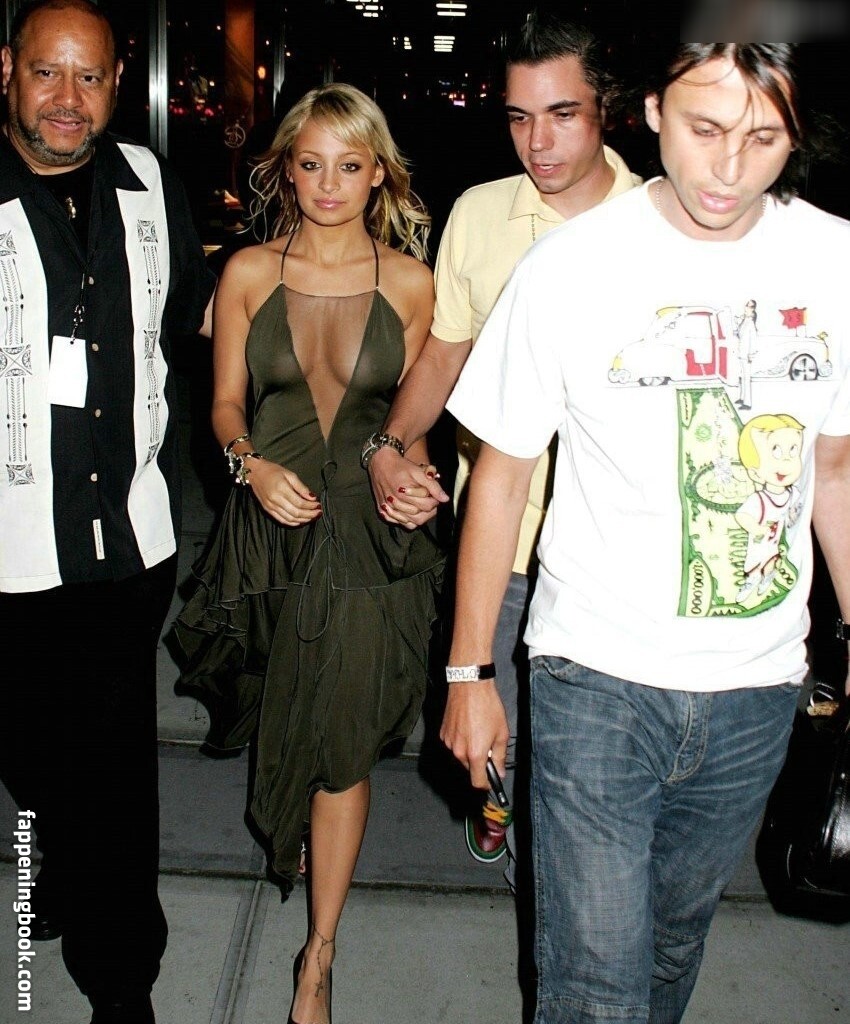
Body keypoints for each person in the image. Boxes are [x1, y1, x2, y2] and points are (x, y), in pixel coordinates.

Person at [441, 42, 850, 1024]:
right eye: (705, 129)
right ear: (656, 109)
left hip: (757, 686)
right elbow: (501, 473)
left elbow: (834, 470)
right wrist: (468, 673)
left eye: (764, 138)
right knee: (594, 989)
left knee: (668, 945)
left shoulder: (834, 259)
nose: (729, 168)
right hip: (595, 678)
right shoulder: (572, 265)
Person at [173, 83, 443, 1024]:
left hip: (369, 540)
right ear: (286, 170)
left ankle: (319, 955)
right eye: (312, 163)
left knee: (344, 744)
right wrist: (248, 467)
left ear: (379, 175)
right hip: (270, 531)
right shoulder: (248, 270)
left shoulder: (412, 284)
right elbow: (221, 407)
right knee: (284, 710)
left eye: (350, 165)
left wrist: (414, 476)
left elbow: (412, 421)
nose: (330, 183)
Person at [365, 11, 641, 871]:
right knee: (493, 742)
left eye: (562, 114)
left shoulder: (657, 230)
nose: (539, 142)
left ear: (607, 110)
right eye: (520, 118)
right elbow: (444, 351)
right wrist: (389, 443)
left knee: (581, 786)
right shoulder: (481, 214)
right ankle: (497, 804)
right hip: (501, 546)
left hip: (612, 559)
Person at [0, 2, 215, 1022]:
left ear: (118, 82)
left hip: (128, 539)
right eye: (48, 73)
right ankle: (59, 851)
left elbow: (190, 320)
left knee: (116, 771)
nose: (67, 99)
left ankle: (120, 980)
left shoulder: (148, 182)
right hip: (9, 548)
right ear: (6, 70)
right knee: (32, 746)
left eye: (88, 77)